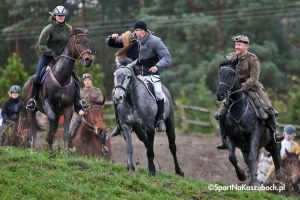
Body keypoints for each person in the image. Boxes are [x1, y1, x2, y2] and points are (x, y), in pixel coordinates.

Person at [216, 35, 284, 149]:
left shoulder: (253, 59)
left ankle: (275, 133)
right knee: (221, 113)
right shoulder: (230, 57)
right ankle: (223, 139)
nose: (237, 46)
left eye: (240, 44)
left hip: (252, 87)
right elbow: (224, 71)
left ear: (246, 46)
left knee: (268, 108)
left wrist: (242, 87)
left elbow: (254, 78)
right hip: (233, 91)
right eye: (236, 44)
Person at [106, 20, 171, 136]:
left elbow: (167, 57)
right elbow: (112, 43)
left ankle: (160, 120)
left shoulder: (155, 41)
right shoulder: (130, 38)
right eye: (136, 30)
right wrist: (111, 37)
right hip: (133, 74)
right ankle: (118, 124)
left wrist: (157, 66)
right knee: (116, 92)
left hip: (150, 73)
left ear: (146, 31)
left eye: (141, 30)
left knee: (159, 92)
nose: (138, 33)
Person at [26, 5, 87, 112]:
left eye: (63, 15)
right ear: (55, 16)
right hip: (48, 56)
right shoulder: (48, 29)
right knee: (37, 77)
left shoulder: (69, 29)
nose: (61, 17)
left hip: (64, 58)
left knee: (76, 78)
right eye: (59, 15)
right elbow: (41, 44)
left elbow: (73, 44)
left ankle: (79, 101)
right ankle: (33, 100)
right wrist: (51, 53)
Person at [68, 73, 107, 148]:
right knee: (72, 128)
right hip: (82, 114)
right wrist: (79, 111)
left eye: (88, 80)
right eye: (85, 80)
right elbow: (75, 104)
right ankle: (69, 148)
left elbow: (101, 104)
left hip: (94, 115)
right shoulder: (80, 92)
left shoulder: (97, 91)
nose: (87, 81)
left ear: (91, 81)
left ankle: (104, 146)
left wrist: (96, 110)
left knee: (102, 130)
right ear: (83, 82)